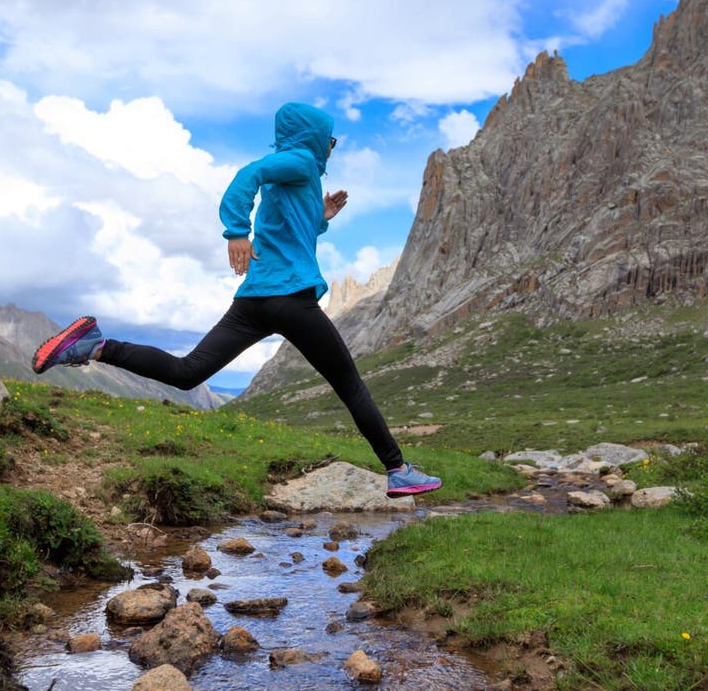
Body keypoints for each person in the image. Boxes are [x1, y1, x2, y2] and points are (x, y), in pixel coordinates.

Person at [33, 102, 442, 498]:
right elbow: (250, 173)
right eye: (328, 140)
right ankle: (397, 470)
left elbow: (286, 229)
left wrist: (319, 218)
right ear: (311, 137)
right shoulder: (300, 161)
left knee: (187, 371)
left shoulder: (300, 176)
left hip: (255, 300)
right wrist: (235, 231)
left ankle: (95, 345)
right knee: (350, 386)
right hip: (292, 299)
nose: (329, 148)